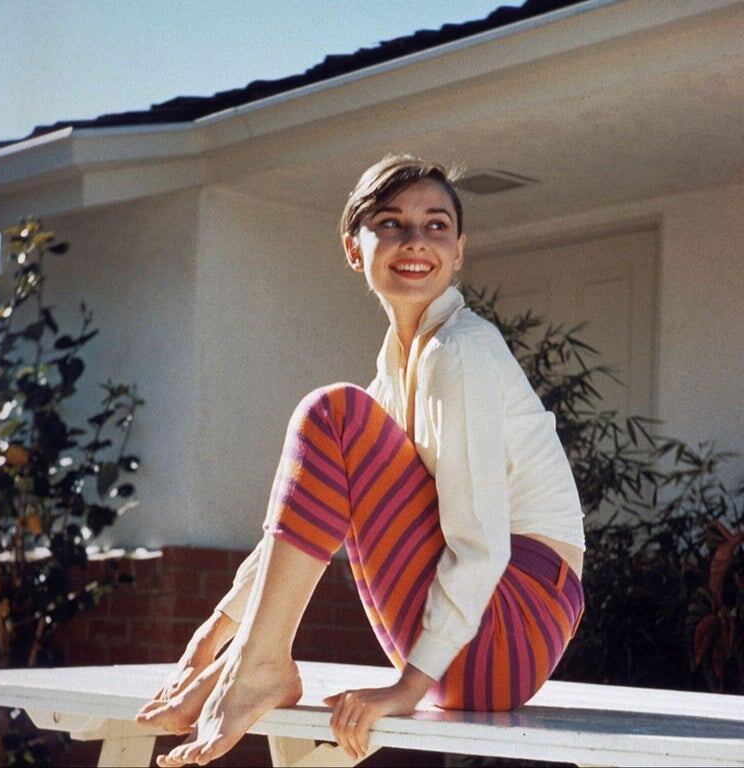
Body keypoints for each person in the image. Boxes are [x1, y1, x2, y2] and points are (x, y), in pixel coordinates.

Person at [135, 154, 586, 766]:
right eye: (392, 223)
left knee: (334, 412)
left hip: (509, 631)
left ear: (458, 251)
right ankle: (244, 661)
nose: (416, 241)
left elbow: (482, 546)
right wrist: (211, 634)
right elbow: (302, 511)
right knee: (336, 426)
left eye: (436, 226)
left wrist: (407, 688)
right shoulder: (398, 367)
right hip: (471, 646)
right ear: (354, 249)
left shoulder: (461, 352)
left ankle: (257, 665)